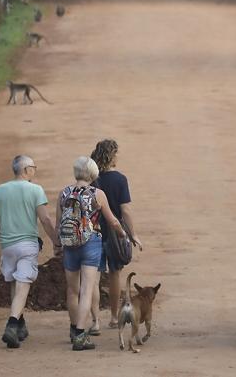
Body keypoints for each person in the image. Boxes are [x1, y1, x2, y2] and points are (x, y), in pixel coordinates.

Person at [0, 155, 59, 348]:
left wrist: (1, 238)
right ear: (26, 169)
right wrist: (55, 241)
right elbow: (45, 220)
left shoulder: (0, 190)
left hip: (8, 245)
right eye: (34, 167)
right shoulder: (35, 190)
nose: (35, 170)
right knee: (23, 283)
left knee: (14, 282)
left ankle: (20, 325)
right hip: (27, 244)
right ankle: (12, 324)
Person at [56, 156, 125, 351]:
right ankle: (80, 334)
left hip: (69, 244)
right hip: (91, 244)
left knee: (72, 290)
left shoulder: (64, 193)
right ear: (93, 174)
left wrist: (57, 245)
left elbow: (58, 223)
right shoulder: (98, 194)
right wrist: (122, 234)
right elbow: (112, 221)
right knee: (87, 289)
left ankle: (72, 328)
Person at [89, 139, 143, 333]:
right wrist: (133, 234)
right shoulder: (120, 179)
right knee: (114, 275)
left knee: (93, 278)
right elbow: (125, 210)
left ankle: (94, 321)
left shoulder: (92, 179)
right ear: (112, 157)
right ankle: (113, 317)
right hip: (114, 234)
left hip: (93, 232)